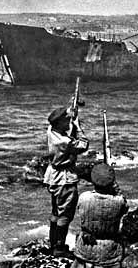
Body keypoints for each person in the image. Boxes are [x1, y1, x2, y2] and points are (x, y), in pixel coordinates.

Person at [44, 104, 89, 257]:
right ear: (59, 123)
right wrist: (78, 126)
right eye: (66, 120)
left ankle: (53, 244)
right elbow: (84, 145)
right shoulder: (64, 142)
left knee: (56, 212)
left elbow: (62, 126)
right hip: (64, 178)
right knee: (65, 214)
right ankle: (59, 248)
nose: (68, 122)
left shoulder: (51, 131)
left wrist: (71, 108)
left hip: (53, 177)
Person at [72, 163, 128, 268]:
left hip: (86, 247)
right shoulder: (119, 201)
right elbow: (125, 207)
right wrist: (117, 189)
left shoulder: (84, 197)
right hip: (109, 250)